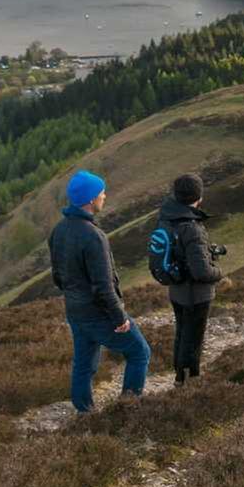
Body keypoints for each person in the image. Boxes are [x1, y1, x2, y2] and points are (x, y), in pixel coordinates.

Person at [48, 168, 149, 411]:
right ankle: (128, 407)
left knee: (84, 364)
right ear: (91, 199)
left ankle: (84, 411)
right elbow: (103, 287)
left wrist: (74, 295)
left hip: (75, 310)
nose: (105, 197)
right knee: (139, 352)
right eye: (102, 193)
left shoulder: (58, 231)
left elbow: (57, 276)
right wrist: (119, 317)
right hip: (97, 313)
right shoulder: (94, 236)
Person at [158, 172, 223, 384]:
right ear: (199, 197)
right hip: (196, 294)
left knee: (182, 333)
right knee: (193, 339)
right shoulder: (193, 228)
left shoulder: (167, 219)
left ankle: (179, 376)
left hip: (176, 290)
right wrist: (219, 273)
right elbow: (202, 272)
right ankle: (189, 382)